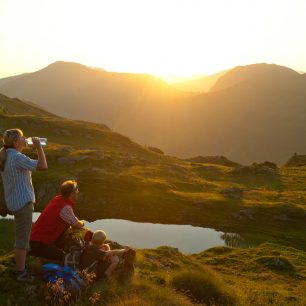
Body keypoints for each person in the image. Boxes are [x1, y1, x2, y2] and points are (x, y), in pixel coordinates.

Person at [0, 129, 48, 282]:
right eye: (21, 137)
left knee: (22, 236)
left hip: (15, 202)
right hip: (22, 204)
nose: (24, 138)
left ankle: (21, 267)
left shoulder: (7, 155)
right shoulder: (16, 157)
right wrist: (38, 146)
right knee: (21, 240)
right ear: (15, 142)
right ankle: (21, 273)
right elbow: (42, 166)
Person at [30, 180, 85, 262]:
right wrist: (82, 222)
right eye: (76, 190)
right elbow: (77, 224)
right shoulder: (65, 207)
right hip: (39, 243)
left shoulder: (58, 200)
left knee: (65, 241)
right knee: (63, 256)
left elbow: (72, 219)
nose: (78, 191)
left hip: (35, 239)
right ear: (72, 193)